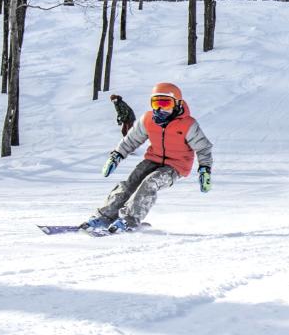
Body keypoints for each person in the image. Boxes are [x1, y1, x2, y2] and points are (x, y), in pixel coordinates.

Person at [83, 82, 213, 233]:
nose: (159, 108)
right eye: (156, 103)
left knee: (150, 183)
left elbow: (203, 148)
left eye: (165, 103)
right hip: (152, 159)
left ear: (177, 103)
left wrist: (205, 170)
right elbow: (131, 140)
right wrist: (116, 156)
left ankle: (130, 219)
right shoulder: (148, 120)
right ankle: (105, 216)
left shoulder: (188, 125)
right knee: (130, 183)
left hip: (176, 166)